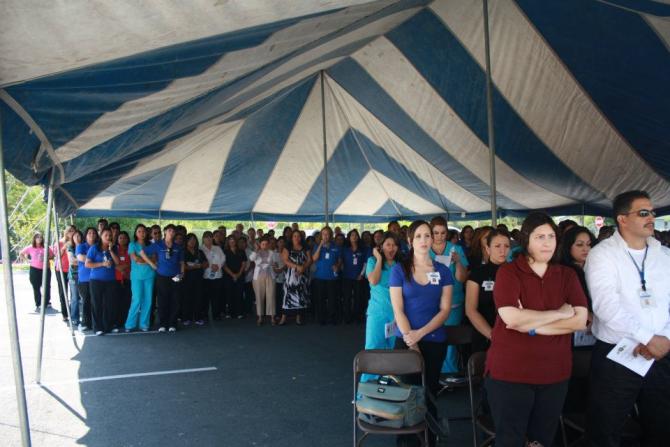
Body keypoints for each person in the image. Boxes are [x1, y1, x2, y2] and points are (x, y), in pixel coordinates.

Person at [485, 212, 588, 446]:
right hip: (510, 373)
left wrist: (530, 325)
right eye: (539, 236)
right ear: (526, 240)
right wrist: (559, 313)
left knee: (542, 440)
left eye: (551, 236)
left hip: (554, 373)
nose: (547, 242)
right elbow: (510, 317)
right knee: (510, 439)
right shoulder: (509, 272)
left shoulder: (567, 275)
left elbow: (580, 321)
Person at [585, 190, 670, 445]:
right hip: (618, 356)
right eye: (643, 213)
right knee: (606, 430)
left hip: (661, 353)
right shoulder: (602, 255)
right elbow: (606, 308)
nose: (651, 217)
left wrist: (664, 339)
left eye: (652, 212)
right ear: (622, 219)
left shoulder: (663, 255)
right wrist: (648, 338)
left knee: (662, 426)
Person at [389, 220, 452, 436]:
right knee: (406, 398)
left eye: (428, 236)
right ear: (410, 240)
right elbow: (398, 310)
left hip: (434, 341)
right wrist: (412, 341)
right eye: (418, 236)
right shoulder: (399, 270)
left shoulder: (443, 271)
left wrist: (421, 334)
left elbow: (444, 311)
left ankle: (429, 440)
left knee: (429, 394)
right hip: (406, 341)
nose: (424, 240)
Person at [429, 216, 468, 374]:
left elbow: (462, 278)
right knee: (432, 338)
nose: (439, 236)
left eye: (443, 233)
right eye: (436, 233)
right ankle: (434, 373)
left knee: (450, 341)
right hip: (431, 302)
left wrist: (458, 262)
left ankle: (449, 374)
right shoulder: (425, 249)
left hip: (453, 302)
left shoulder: (456, 249)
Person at [361, 231, 401, 382]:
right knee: (373, 349)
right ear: (381, 246)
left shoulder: (400, 265)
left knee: (392, 351)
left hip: (396, 315)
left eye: (394, 245)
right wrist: (379, 259)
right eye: (388, 245)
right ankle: (365, 390)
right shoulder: (372, 261)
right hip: (377, 313)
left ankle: (386, 386)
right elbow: (373, 280)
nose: (392, 248)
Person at [464, 229, 511, 353]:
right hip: (484, 335)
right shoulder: (477, 274)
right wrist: (492, 336)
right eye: (497, 246)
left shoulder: (516, 273)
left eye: (506, 246)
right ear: (488, 249)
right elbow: (471, 310)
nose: (502, 250)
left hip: (512, 335)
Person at [140, 224, 184, 333]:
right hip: (162, 276)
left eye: (173, 232)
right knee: (162, 300)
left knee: (175, 300)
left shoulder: (178, 247)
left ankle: (173, 323)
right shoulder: (158, 245)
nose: (171, 233)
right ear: (164, 232)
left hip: (176, 276)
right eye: (169, 231)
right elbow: (142, 252)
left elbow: (182, 262)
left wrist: (182, 274)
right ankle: (163, 324)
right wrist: (152, 263)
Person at [86, 228, 121, 335]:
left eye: (110, 235)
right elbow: (87, 264)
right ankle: (98, 328)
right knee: (97, 304)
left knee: (109, 304)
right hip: (96, 280)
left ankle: (108, 326)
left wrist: (110, 250)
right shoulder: (94, 248)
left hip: (110, 281)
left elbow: (117, 262)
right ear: (101, 236)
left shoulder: (114, 248)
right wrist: (102, 264)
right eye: (106, 235)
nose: (108, 237)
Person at [125, 224, 155, 332]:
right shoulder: (132, 244)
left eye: (143, 231)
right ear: (136, 233)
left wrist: (146, 260)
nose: (141, 233)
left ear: (146, 233)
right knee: (136, 299)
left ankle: (144, 324)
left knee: (148, 300)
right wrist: (148, 260)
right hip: (136, 277)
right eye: (139, 231)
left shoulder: (151, 245)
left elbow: (155, 259)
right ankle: (129, 325)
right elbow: (135, 259)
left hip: (149, 275)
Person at [279, 230, 311, 325]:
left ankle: (298, 318)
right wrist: (297, 267)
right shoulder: (287, 247)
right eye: (295, 236)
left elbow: (310, 260)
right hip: (290, 275)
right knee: (287, 296)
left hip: (302, 274)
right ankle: (283, 318)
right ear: (292, 237)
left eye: (298, 236)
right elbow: (285, 260)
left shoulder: (306, 247)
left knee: (300, 295)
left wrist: (303, 268)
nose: (297, 238)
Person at [311, 226, 342, 325]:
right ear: (321, 235)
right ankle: (321, 319)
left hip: (332, 277)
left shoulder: (336, 246)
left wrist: (337, 265)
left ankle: (332, 318)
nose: (326, 236)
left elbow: (340, 260)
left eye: (328, 234)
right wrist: (320, 245)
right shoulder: (316, 246)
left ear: (331, 235)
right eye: (324, 234)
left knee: (332, 299)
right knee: (320, 299)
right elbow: (314, 259)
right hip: (319, 277)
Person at [21, 233, 54, 312]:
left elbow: (52, 255)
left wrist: (46, 257)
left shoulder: (46, 247)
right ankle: (38, 303)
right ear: (34, 239)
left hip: (46, 269)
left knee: (46, 285)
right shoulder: (30, 247)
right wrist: (27, 260)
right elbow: (21, 253)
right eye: (37, 238)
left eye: (40, 238)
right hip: (34, 269)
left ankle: (47, 301)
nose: (39, 239)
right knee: (36, 286)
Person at [249, 236, 276, 325]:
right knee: (259, 297)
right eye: (263, 244)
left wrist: (269, 264)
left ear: (269, 245)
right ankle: (260, 317)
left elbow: (273, 263)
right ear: (260, 244)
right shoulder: (256, 253)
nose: (264, 246)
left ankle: (272, 317)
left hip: (270, 277)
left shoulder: (272, 253)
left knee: (271, 296)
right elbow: (251, 259)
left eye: (266, 244)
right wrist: (256, 250)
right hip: (258, 278)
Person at [341, 229, 366, 324]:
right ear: (349, 237)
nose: (354, 237)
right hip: (347, 277)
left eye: (356, 235)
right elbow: (341, 261)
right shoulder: (345, 249)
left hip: (358, 277)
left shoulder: (362, 249)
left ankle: (357, 317)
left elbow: (365, 263)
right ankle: (347, 317)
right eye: (352, 235)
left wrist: (362, 274)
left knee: (358, 298)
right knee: (347, 298)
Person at [182, 233, 207, 326]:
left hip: (199, 279)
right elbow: (184, 266)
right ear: (186, 241)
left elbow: (206, 264)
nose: (192, 241)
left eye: (194, 239)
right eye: (190, 240)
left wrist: (194, 265)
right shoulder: (183, 252)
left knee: (198, 298)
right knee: (187, 299)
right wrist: (197, 266)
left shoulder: (199, 252)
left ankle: (198, 318)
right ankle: (186, 318)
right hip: (187, 279)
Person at [201, 231, 225, 323]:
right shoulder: (200, 248)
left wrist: (218, 266)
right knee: (205, 298)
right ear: (203, 239)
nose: (209, 239)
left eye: (210, 237)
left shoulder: (217, 248)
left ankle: (216, 314)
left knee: (216, 297)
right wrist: (211, 265)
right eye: (207, 237)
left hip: (217, 275)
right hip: (205, 276)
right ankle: (205, 315)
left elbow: (223, 258)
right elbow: (202, 261)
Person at [76, 227, 97, 330]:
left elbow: (87, 258)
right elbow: (80, 258)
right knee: (86, 301)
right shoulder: (81, 246)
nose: (92, 235)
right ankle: (85, 323)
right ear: (86, 235)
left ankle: (94, 323)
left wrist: (90, 259)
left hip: (97, 278)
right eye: (89, 233)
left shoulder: (98, 247)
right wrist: (96, 259)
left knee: (96, 302)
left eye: (94, 233)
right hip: (84, 279)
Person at [223, 235, 247, 319]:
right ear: (228, 242)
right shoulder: (225, 252)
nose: (232, 242)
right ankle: (230, 312)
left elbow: (243, 264)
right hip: (228, 276)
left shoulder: (241, 251)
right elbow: (224, 265)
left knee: (239, 294)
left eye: (233, 240)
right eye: (230, 240)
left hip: (240, 275)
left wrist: (238, 274)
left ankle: (239, 312)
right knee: (229, 294)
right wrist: (232, 275)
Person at [54, 225, 74, 321]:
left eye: (73, 231)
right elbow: (56, 256)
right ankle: (64, 313)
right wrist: (64, 247)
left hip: (72, 269)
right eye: (69, 231)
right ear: (65, 232)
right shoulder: (60, 242)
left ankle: (71, 311)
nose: (71, 233)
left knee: (73, 292)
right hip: (61, 269)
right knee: (63, 291)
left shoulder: (76, 242)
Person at [114, 231, 132, 329]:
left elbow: (131, 262)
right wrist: (120, 268)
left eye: (124, 238)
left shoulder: (130, 249)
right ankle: (117, 321)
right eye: (120, 238)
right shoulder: (114, 249)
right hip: (117, 279)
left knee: (127, 301)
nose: (122, 239)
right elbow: (114, 264)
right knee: (117, 301)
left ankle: (126, 321)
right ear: (117, 239)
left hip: (128, 278)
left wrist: (122, 267)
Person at [67, 230, 83, 329]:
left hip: (84, 275)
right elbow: (72, 261)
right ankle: (74, 318)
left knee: (85, 298)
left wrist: (82, 260)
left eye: (79, 236)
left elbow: (89, 259)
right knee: (75, 298)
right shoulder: (70, 248)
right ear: (72, 238)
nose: (77, 238)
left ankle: (85, 318)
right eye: (75, 236)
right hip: (74, 275)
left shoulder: (84, 247)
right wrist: (82, 259)